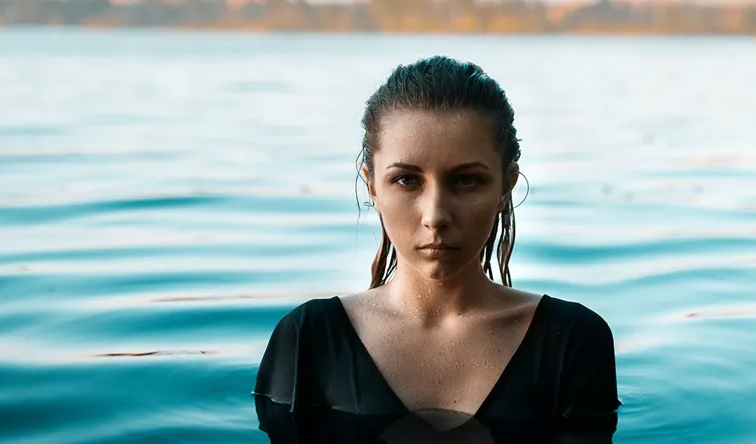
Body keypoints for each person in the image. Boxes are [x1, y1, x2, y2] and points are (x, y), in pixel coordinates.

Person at [255, 55, 619, 424]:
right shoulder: (308, 339)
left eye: (466, 180)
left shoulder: (571, 341)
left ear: (505, 187)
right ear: (373, 187)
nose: (435, 215)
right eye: (407, 180)